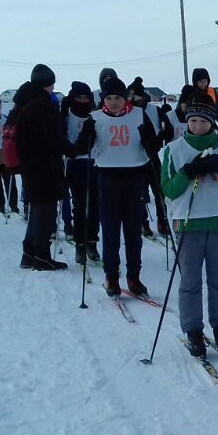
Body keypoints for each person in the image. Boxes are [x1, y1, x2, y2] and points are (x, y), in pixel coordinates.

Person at [160, 97, 218, 357]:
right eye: (193, 120)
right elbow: (168, 190)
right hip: (187, 222)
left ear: (212, 122)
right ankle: (193, 330)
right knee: (190, 280)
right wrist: (188, 171)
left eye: (204, 121)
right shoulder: (173, 150)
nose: (197, 126)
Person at [78, 76, 159, 296]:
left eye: (118, 98)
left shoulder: (139, 115)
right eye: (109, 98)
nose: (114, 102)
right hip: (107, 177)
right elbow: (79, 147)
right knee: (111, 232)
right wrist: (88, 135)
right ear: (104, 99)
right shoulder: (94, 118)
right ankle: (111, 277)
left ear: (126, 99)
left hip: (134, 177)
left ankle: (134, 277)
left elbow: (155, 144)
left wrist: (147, 140)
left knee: (133, 232)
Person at [12, 63, 71, 270]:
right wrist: (71, 148)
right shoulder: (41, 105)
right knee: (45, 210)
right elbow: (51, 138)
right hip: (43, 165)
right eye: (51, 85)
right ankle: (42, 256)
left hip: (29, 164)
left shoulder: (22, 102)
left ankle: (29, 254)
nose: (53, 89)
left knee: (38, 209)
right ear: (46, 84)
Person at [62, 81, 100, 264]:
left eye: (85, 97)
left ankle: (92, 242)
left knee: (94, 205)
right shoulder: (66, 115)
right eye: (79, 97)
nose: (82, 101)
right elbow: (61, 137)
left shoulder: (94, 115)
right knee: (79, 205)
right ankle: (79, 244)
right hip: (73, 163)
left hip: (94, 162)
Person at [128, 76, 170, 238]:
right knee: (140, 193)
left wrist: (158, 140)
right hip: (136, 157)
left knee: (159, 190)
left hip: (153, 155)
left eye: (135, 96)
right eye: (130, 96)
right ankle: (143, 223)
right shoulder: (128, 111)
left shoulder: (153, 109)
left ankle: (162, 220)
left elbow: (164, 129)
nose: (132, 99)